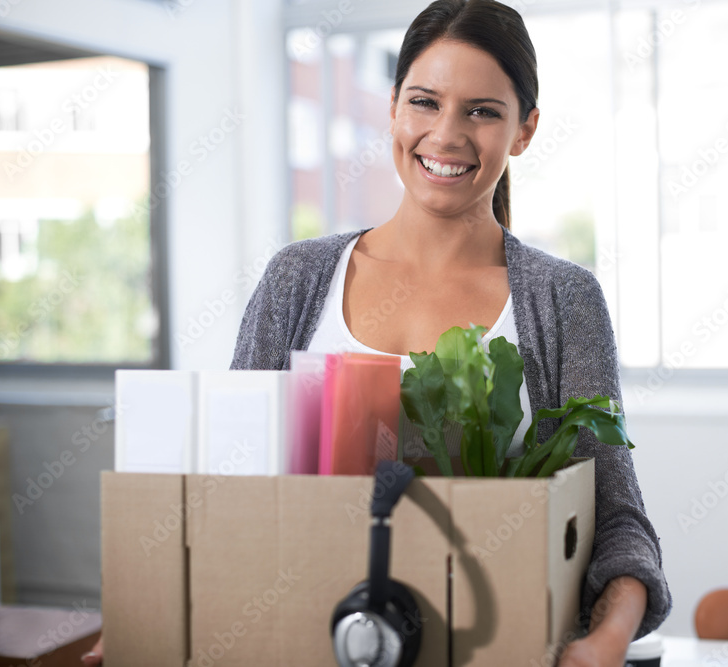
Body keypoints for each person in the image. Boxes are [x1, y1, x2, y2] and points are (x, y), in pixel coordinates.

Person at [83, 0, 671, 664]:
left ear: (525, 130)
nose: (446, 135)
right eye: (425, 101)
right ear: (392, 106)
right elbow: (228, 488)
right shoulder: (298, 279)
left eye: (482, 111)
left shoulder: (563, 299)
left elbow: (617, 517)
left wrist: (606, 640)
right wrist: (146, 612)